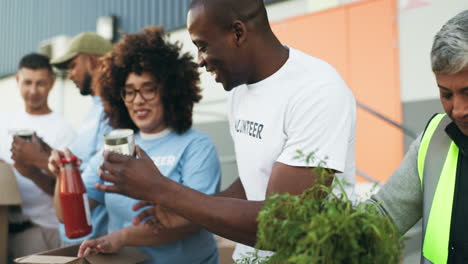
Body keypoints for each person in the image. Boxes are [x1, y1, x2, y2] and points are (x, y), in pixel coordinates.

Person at [93, 0, 357, 261]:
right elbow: (253, 180)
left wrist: (161, 189)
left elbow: (283, 225)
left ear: (238, 33)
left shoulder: (316, 91)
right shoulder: (239, 90)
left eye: (202, 46)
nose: (199, 61)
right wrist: (182, 211)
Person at [49, 26, 221, 264]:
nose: (138, 100)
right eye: (129, 92)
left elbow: (197, 219)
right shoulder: (113, 149)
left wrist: (124, 236)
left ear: (169, 91)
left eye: (148, 89)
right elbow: (67, 216)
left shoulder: (196, 145)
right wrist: (63, 173)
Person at [367, 10, 468, 264]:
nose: (457, 110)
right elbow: (384, 216)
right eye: (446, 94)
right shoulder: (434, 140)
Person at [0, 53, 75, 259]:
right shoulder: (3, 121)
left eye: (40, 83)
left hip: (41, 229)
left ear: (51, 82)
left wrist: (32, 166)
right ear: (17, 80)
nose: (33, 91)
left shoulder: (63, 129)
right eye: (28, 82)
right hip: (5, 223)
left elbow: (68, 185)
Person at [50, 32, 113, 245]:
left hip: (92, 243)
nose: (69, 74)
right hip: (74, 240)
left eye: (73, 65)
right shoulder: (93, 110)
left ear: (93, 61)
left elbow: (96, 178)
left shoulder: (111, 111)